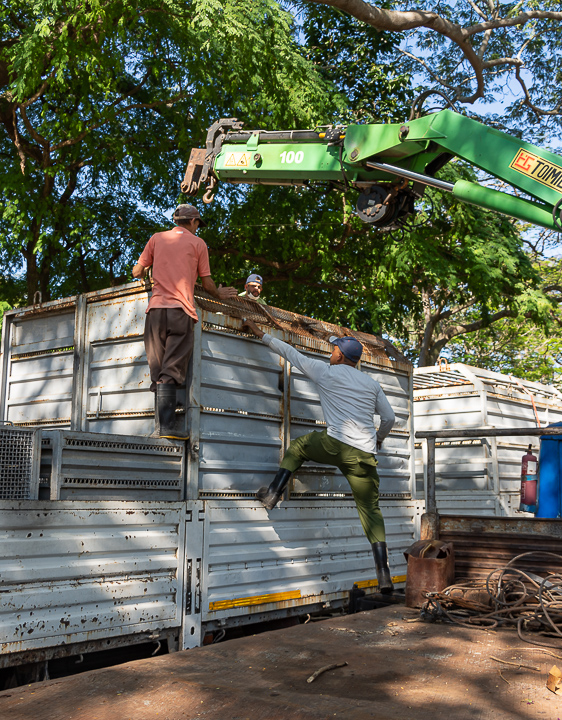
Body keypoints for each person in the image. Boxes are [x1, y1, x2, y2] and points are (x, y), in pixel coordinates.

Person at [242, 317, 397, 593]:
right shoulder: (371, 384)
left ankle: (272, 493)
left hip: (334, 444)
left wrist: (259, 333)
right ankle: (383, 573)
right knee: (371, 511)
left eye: (334, 349)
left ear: (340, 355)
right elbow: (388, 417)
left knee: (299, 447)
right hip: (363, 456)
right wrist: (380, 439)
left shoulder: (326, 371)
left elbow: (290, 353)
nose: (331, 352)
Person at [132, 204, 236, 439]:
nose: (198, 228)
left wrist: (147, 271)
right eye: (198, 224)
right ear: (193, 222)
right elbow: (207, 283)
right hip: (181, 312)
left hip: (155, 312)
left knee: (158, 370)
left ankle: (160, 426)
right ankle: (167, 427)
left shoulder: (157, 238)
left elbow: (137, 272)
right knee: (171, 369)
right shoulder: (198, 244)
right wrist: (219, 294)